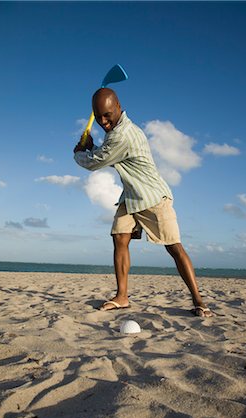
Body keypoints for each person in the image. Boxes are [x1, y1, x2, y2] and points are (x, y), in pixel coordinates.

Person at [73, 88, 213, 317]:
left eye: (107, 115)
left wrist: (80, 151)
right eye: (98, 117)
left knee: (174, 247)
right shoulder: (116, 131)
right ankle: (122, 296)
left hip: (152, 197)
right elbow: (111, 154)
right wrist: (92, 147)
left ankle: (199, 301)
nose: (103, 121)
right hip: (130, 195)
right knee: (119, 237)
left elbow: (94, 163)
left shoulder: (123, 134)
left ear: (118, 106)